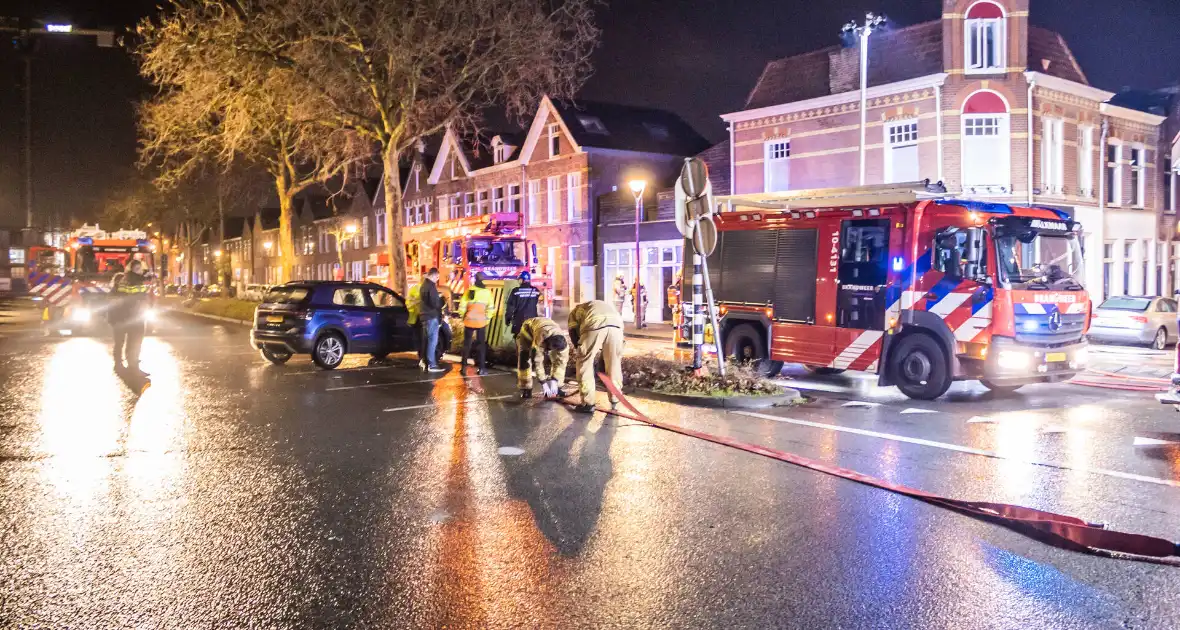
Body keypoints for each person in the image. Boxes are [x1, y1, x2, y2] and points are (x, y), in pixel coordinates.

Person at [568, 299, 624, 413]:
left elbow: (573, 332)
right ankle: (615, 399)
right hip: (617, 326)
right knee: (614, 363)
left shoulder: (574, 313)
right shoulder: (599, 306)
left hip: (594, 324)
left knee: (584, 364)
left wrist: (581, 351)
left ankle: (588, 404)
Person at [109, 258, 152, 374]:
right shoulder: (128, 280)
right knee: (127, 342)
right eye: (137, 268)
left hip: (136, 316)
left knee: (134, 342)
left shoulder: (138, 280)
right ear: (132, 269)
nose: (140, 271)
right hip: (130, 316)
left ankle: (132, 365)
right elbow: (126, 298)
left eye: (140, 268)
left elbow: (141, 295)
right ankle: (126, 365)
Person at [515, 316, 569, 399]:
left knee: (559, 361)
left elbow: (561, 363)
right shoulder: (540, 339)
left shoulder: (564, 344)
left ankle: (556, 389)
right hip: (528, 331)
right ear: (547, 344)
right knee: (525, 359)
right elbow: (538, 362)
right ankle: (526, 388)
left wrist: (555, 382)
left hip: (547, 329)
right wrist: (544, 383)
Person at [459, 272, 495, 375]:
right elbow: (491, 308)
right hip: (481, 322)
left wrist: (464, 317)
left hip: (469, 321)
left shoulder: (469, 291)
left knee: (466, 345)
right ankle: (482, 369)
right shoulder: (487, 293)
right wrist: (486, 320)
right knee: (481, 346)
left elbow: (462, 306)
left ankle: (463, 368)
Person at [419, 268, 447, 373]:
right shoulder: (431, 287)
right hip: (431, 317)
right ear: (433, 275)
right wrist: (442, 301)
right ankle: (432, 364)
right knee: (432, 341)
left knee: (426, 340)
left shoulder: (423, 286)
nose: (438, 279)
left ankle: (424, 361)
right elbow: (435, 303)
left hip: (425, 316)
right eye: (437, 277)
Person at [505, 271, 541, 336]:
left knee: (519, 338)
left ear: (522, 280)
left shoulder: (516, 291)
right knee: (531, 336)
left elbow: (510, 306)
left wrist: (508, 318)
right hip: (532, 319)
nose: (519, 281)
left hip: (519, 319)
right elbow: (537, 301)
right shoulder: (535, 291)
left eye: (520, 279)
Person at [406, 281, 423, 368]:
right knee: (421, 339)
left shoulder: (415, 289)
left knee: (419, 340)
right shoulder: (422, 289)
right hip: (419, 318)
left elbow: (408, 303)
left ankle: (421, 357)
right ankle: (422, 358)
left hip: (416, 318)